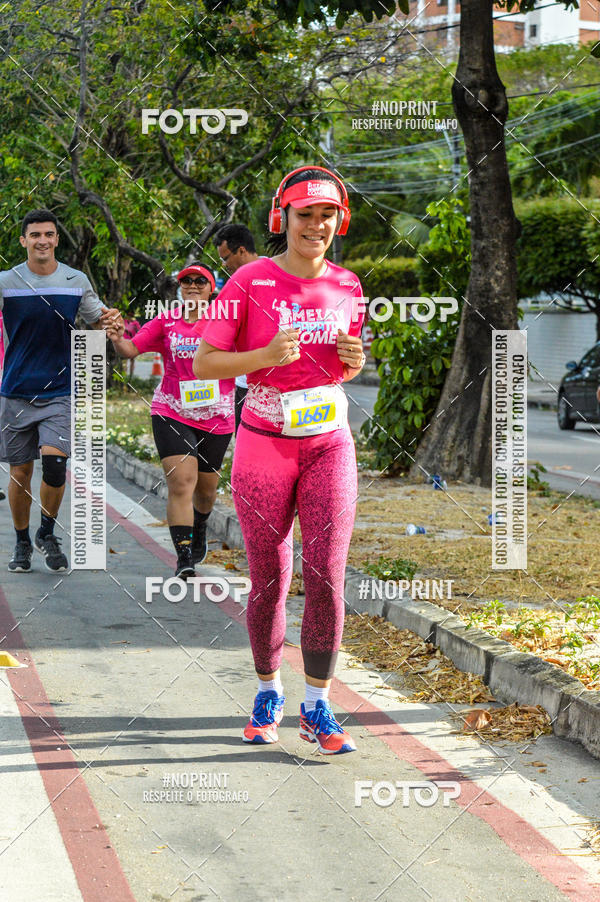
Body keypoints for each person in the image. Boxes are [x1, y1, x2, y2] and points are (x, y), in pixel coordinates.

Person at [194, 167, 366, 754]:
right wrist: (261, 354)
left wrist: (353, 360)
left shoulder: (349, 284)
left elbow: (343, 367)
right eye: (303, 215)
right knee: (269, 577)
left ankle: (317, 704)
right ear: (282, 219)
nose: (315, 226)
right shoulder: (248, 281)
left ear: (338, 220)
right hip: (265, 443)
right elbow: (203, 364)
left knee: (326, 575)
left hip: (329, 442)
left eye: (326, 215)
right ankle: (268, 691)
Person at [0, 209, 121, 572]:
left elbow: (97, 319)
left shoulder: (75, 279)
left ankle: (46, 532)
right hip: (16, 391)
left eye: (49, 234)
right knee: (20, 473)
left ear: (56, 239)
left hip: (60, 391)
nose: (42, 240)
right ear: (23, 240)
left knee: (55, 465)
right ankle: (22, 543)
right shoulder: (6, 281)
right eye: (34, 234)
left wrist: (110, 320)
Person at [108, 263, 234, 579]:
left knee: (205, 492)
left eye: (199, 281)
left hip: (216, 416)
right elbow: (129, 349)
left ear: (211, 288)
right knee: (181, 483)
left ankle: (200, 524)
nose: (192, 285)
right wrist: (115, 336)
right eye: (186, 281)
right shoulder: (167, 320)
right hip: (171, 410)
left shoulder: (227, 322)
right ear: (179, 288)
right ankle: (184, 557)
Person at [214, 224, 259, 432]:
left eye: (225, 258)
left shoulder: (280, 273)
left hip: (278, 387)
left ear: (241, 250)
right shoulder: (234, 285)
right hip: (244, 384)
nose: (224, 264)